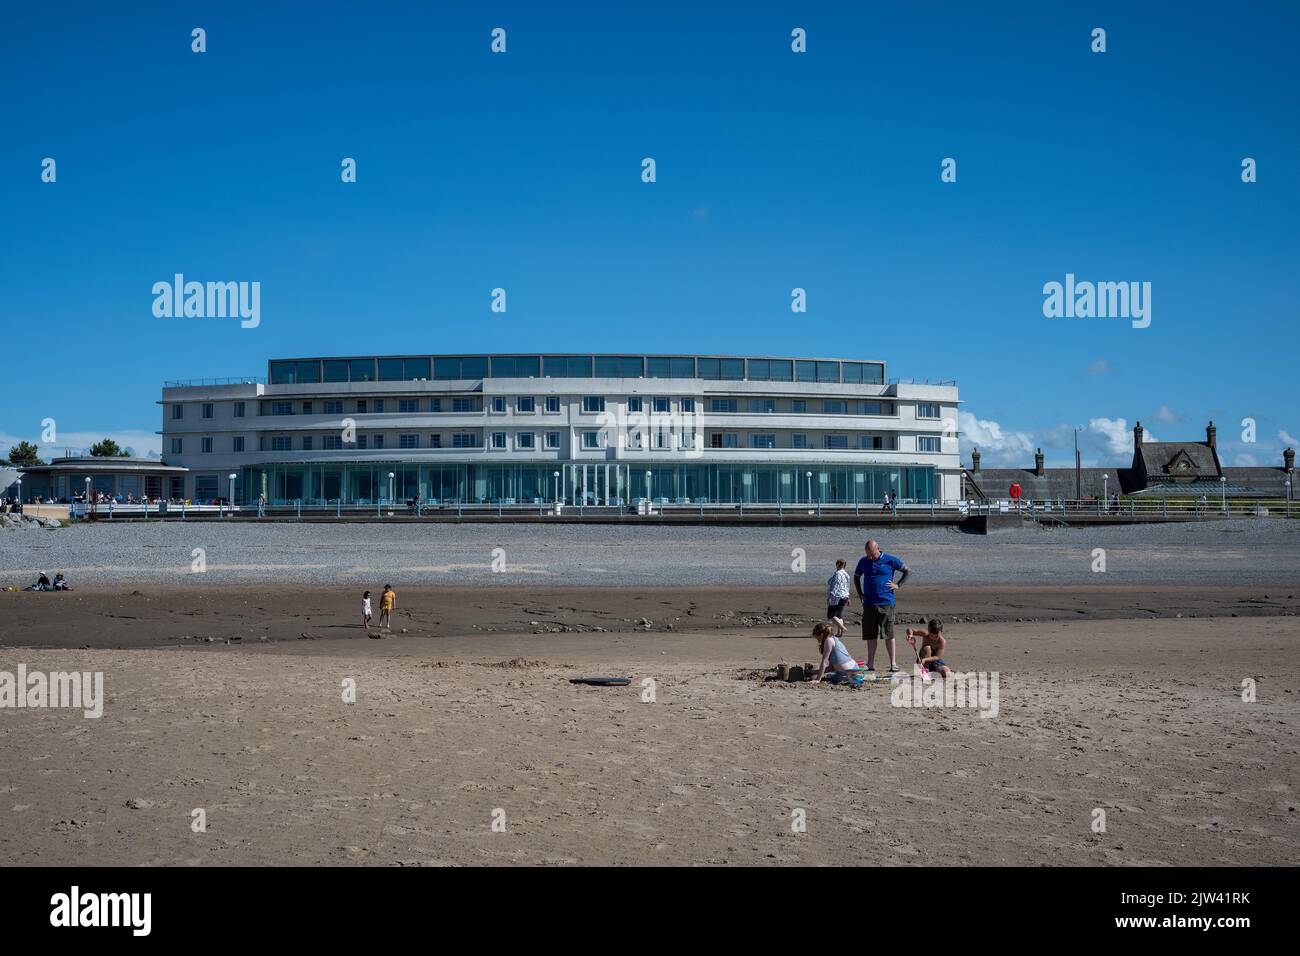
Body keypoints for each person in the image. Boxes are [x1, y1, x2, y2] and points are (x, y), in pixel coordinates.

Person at [853, 539, 909, 672]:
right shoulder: (864, 561)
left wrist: (898, 585)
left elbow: (907, 571)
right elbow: (856, 576)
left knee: (888, 634)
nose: (870, 557)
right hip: (869, 604)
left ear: (877, 549)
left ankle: (893, 663)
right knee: (870, 635)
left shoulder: (890, 560)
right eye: (868, 554)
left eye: (872, 554)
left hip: (886, 602)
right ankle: (870, 663)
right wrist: (860, 593)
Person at [826, 559, 850, 638]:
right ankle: (840, 632)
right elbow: (847, 586)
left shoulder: (838, 574)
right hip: (845, 596)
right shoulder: (847, 574)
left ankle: (842, 628)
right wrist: (848, 597)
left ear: (837, 565)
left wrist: (830, 596)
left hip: (837, 596)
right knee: (839, 615)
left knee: (830, 615)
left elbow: (836, 585)